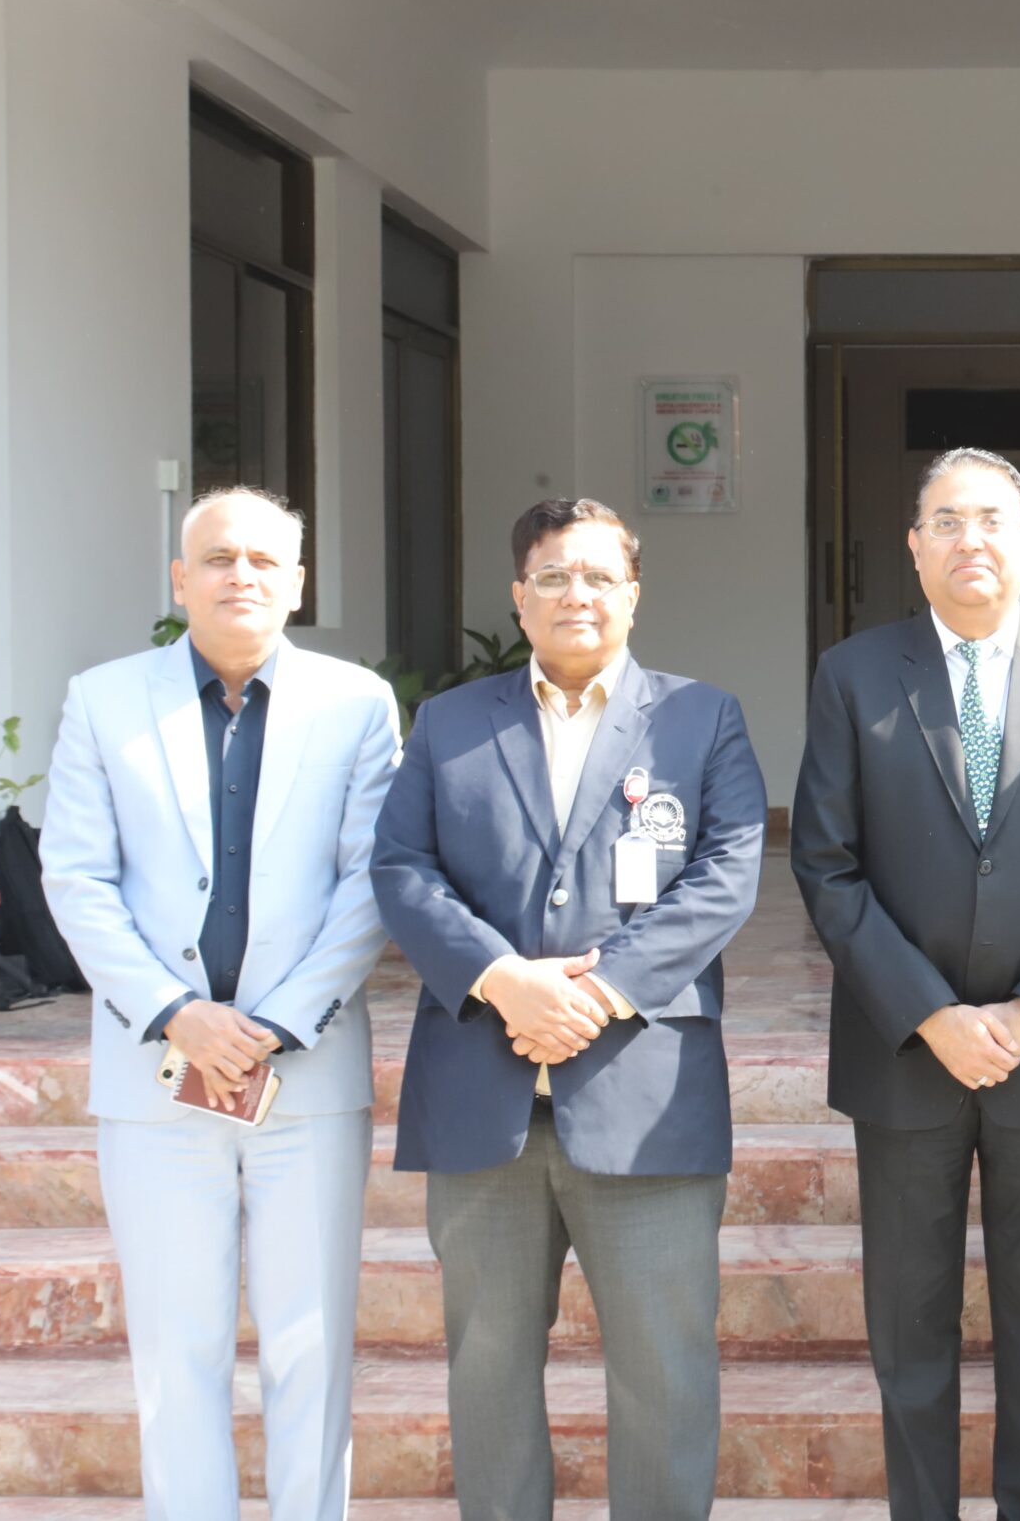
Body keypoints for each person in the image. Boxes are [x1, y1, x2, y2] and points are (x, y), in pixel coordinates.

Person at [372, 496, 767, 1521]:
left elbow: (726, 874)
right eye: (553, 575)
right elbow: (403, 868)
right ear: (520, 597)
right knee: (488, 1369)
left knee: (665, 1370)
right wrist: (504, 980)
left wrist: (598, 992)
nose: (576, 594)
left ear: (633, 593)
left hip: (645, 1098)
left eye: (599, 575)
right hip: (481, 1095)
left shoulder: (700, 718)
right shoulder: (453, 722)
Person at [792, 447, 1020, 1521]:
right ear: (914, 547)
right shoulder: (854, 673)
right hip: (905, 1052)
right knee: (909, 1314)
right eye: (946, 520)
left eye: (993, 518)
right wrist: (930, 1013)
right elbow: (825, 863)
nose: (971, 539)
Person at [40, 486, 400, 1521]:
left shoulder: (357, 703)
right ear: (179, 578)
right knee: (174, 1348)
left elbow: (372, 879)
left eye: (264, 560)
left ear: (298, 582)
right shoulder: (105, 700)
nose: (241, 575)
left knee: (311, 1345)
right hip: (156, 1078)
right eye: (218, 557)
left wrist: (277, 1022)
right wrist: (174, 1012)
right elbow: (76, 877)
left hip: (307, 1076)